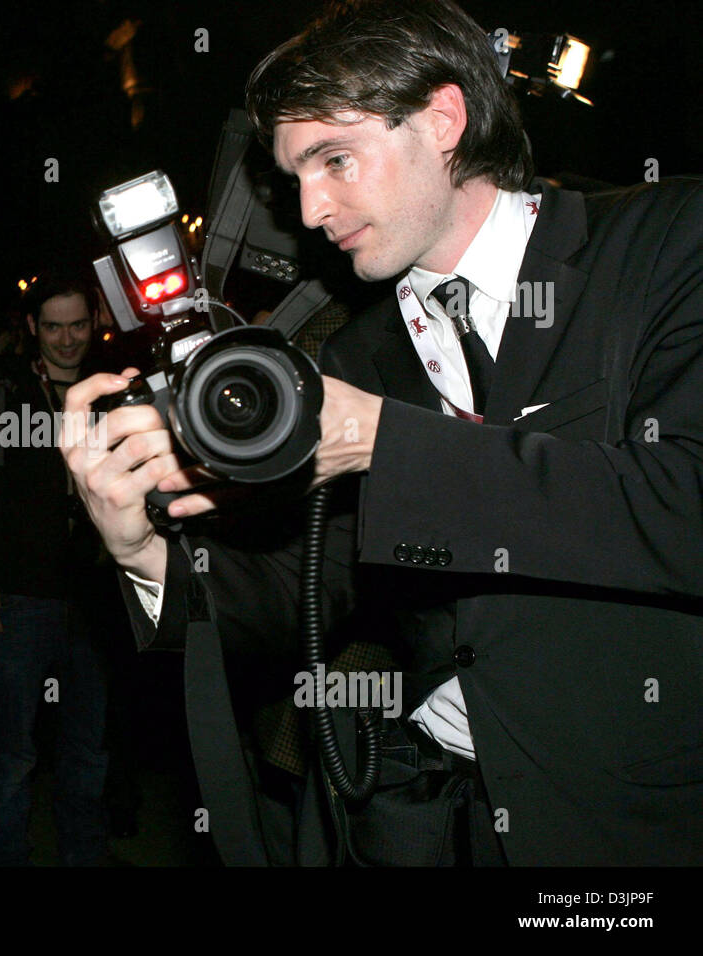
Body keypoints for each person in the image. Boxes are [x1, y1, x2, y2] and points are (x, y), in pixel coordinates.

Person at [61, 0, 703, 866]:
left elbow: (680, 505)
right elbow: (308, 589)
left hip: (627, 823)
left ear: (443, 119)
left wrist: (386, 443)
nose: (311, 208)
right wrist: (142, 552)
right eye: (293, 179)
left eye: (334, 159)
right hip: (425, 817)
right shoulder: (359, 351)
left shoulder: (666, 241)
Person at [0, 271, 111, 866]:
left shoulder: (112, 391)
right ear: (32, 328)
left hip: (96, 601)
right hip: (17, 599)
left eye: (78, 325)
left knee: (88, 753)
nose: (67, 340)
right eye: (54, 326)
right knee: (13, 755)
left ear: (94, 324)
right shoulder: (2, 393)